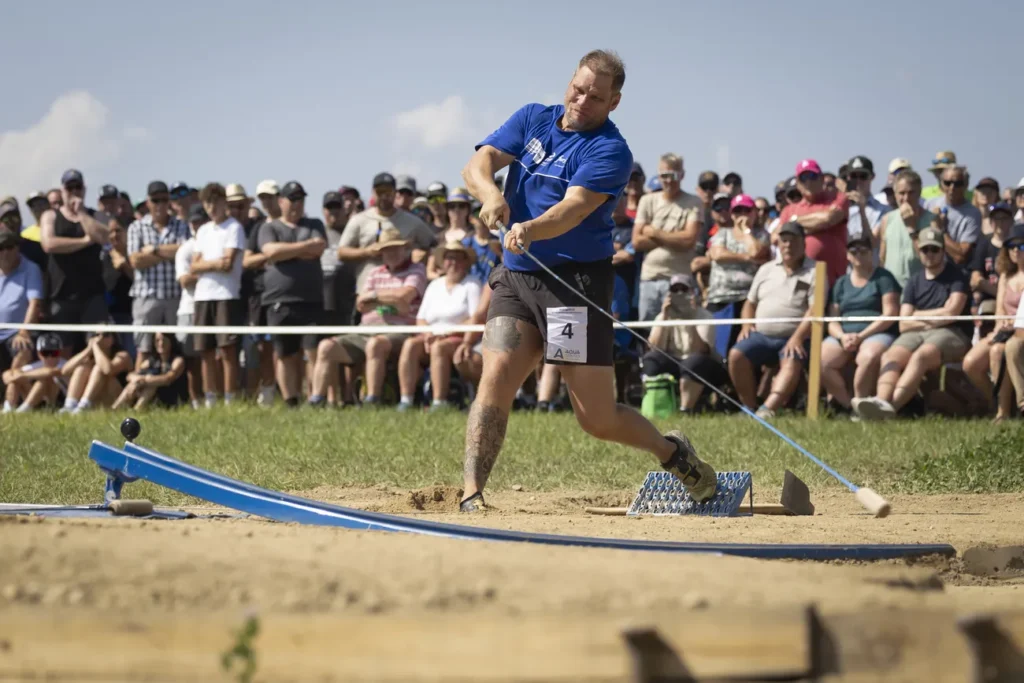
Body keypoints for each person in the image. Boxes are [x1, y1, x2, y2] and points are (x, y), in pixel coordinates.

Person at [456, 49, 718, 512]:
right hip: (516, 279)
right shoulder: (533, 118)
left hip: (573, 287)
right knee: (494, 376)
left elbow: (572, 210)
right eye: (577, 89)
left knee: (595, 419)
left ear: (614, 102)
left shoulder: (610, 151)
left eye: (595, 97)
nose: (581, 101)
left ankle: (673, 453)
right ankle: (471, 494)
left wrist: (528, 228)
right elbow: (478, 163)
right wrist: (492, 193)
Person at [854, 227, 970, 420]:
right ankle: (880, 402)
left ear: (943, 251)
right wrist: (935, 317)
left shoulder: (957, 276)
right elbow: (903, 323)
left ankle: (891, 408)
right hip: (919, 332)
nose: (930, 254)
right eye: (925, 250)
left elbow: (952, 314)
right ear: (919, 251)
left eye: (935, 249)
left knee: (921, 356)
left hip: (953, 333)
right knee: (891, 356)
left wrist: (918, 315)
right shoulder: (914, 281)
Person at [819, 236, 900, 414]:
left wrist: (861, 336)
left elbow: (890, 313)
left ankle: (862, 403)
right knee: (820, 359)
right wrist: (841, 336)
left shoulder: (884, 278)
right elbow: (832, 319)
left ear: (872, 253)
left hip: (876, 332)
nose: (858, 255)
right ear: (847, 255)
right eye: (853, 251)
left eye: (864, 250)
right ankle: (849, 406)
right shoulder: (840, 283)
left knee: (868, 357)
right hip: (845, 334)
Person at [397, 241, 482, 411]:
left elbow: (474, 318)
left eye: (458, 259)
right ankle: (406, 399)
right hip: (430, 336)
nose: (453, 263)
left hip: (458, 337)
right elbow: (421, 318)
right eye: (449, 258)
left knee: (439, 348)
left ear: (466, 262)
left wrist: (445, 334)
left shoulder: (472, 284)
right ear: (443, 262)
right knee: (410, 345)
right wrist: (428, 334)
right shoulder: (434, 285)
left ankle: (439, 401)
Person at [962, 222, 1024, 422]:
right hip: (1004, 329)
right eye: (1011, 246)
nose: (1016, 250)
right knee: (970, 364)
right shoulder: (1006, 275)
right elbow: (999, 308)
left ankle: (1003, 412)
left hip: (1020, 332)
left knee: (998, 351)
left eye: (1021, 245)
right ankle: (997, 402)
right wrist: (999, 326)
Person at [642, 274, 728, 412]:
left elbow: (702, 350)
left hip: (703, 366)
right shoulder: (663, 316)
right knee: (651, 359)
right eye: (675, 290)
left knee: (693, 361)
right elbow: (654, 348)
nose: (680, 293)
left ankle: (685, 409)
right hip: (674, 362)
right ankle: (659, 405)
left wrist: (691, 320)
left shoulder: (705, 316)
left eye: (684, 289)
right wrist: (664, 317)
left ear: (692, 293)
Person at [112, 332, 189, 410]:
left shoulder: (178, 360)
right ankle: (115, 408)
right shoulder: (152, 360)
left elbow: (168, 379)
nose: (161, 343)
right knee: (133, 384)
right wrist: (136, 380)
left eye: (164, 340)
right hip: (155, 397)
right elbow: (130, 375)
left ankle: (137, 410)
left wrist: (146, 379)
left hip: (172, 397)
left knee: (152, 385)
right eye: (157, 340)